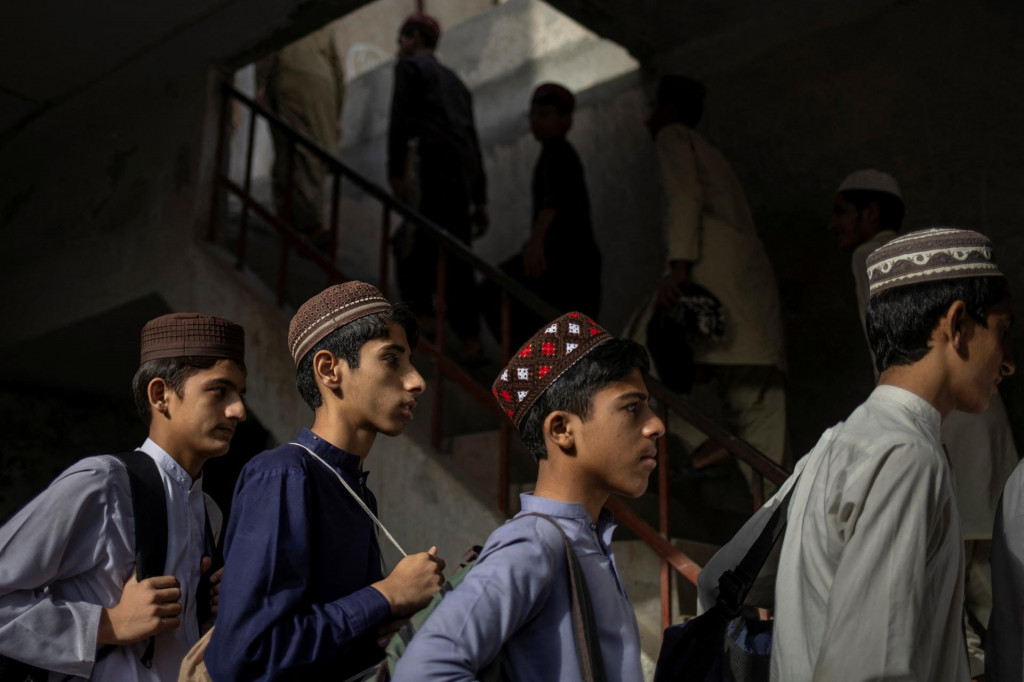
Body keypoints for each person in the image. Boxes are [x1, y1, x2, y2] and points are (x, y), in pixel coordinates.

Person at [698, 227, 1014, 680]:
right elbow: (871, 668)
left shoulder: (834, 445)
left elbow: (718, 579)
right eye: (1001, 331)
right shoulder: (906, 455)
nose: (1008, 361)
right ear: (958, 325)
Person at [392, 312, 662, 681]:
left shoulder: (585, 538)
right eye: (632, 407)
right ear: (562, 429)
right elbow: (421, 672)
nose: (655, 425)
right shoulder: (534, 543)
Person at [829, 169, 1018, 678]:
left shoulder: (873, 259)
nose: (833, 225)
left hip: (952, 428)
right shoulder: (895, 450)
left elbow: (889, 355)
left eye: (841, 211)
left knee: (964, 595)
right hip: (975, 432)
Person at [205, 281, 446, 680]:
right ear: (329, 369)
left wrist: (390, 626)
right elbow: (247, 656)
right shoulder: (283, 475)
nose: (416, 381)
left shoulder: (355, 488)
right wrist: (387, 594)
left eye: (410, 362)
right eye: (391, 360)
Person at [0, 313, 246, 680]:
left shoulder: (209, 512)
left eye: (241, 394)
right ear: (161, 395)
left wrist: (212, 611)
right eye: (219, 390)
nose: (239, 411)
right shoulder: (103, 484)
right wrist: (107, 624)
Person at [626, 75, 787, 488]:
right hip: (753, 304)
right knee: (761, 410)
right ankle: (779, 512)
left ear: (668, 110)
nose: (648, 119)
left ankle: (704, 446)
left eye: (654, 108)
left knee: (628, 366)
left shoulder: (674, 137)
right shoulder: (713, 154)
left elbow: (685, 197)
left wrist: (678, 270)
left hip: (711, 290)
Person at [387, 12, 488, 361]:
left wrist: (395, 172)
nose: (399, 44)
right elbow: (472, 139)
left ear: (415, 39)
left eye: (403, 36)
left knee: (408, 244)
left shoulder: (409, 68)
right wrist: (480, 198)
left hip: (431, 171)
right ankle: (470, 338)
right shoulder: (456, 82)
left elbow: (400, 120)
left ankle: (424, 318)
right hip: (460, 178)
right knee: (454, 253)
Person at [481, 83, 602, 346]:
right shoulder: (554, 151)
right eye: (533, 114)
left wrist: (536, 242)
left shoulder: (557, 150)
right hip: (569, 264)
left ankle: (525, 361)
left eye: (545, 114)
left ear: (565, 120)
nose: (536, 121)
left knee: (495, 289)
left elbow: (552, 203)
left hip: (568, 264)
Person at [256, 25, 345, 239]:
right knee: (314, 153)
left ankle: (301, 223)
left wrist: (261, 84)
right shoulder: (324, 23)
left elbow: (269, 42)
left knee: (292, 151)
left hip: (291, 78)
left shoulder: (286, 14)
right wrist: (336, 113)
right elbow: (338, 69)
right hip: (324, 85)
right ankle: (307, 221)